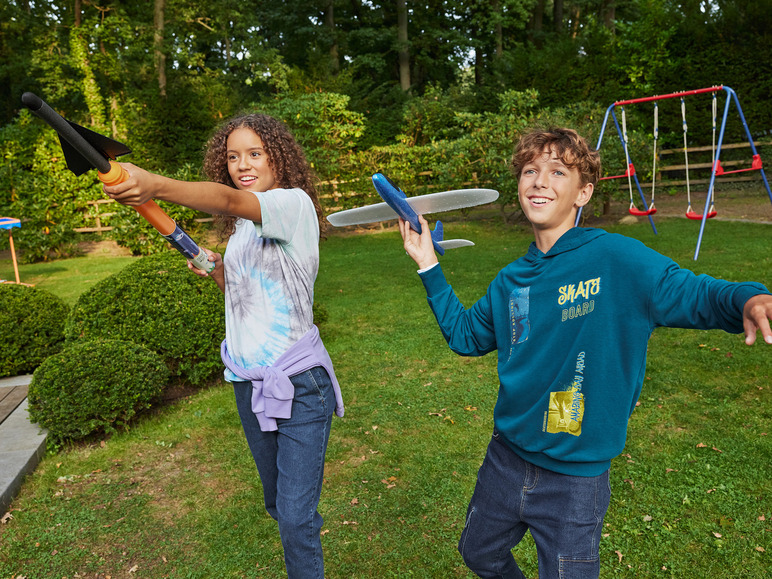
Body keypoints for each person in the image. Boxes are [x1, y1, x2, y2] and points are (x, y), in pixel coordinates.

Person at [398, 127, 772, 578]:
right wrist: (428, 264)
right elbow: (465, 336)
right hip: (505, 459)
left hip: (574, 479)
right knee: (479, 552)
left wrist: (748, 300)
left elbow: (694, 292)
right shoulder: (511, 280)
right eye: (530, 170)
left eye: (558, 171)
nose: (539, 181)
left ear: (583, 192)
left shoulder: (616, 259)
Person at [104, 113, 344, 579]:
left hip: (297, 383)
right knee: (278, 503)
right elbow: (244, 295)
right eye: (233, 156)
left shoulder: (291, 204)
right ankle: (302, 530)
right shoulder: (242, 233)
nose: (242, 164)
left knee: (294, 516)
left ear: (281, 158)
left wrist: (154, 184)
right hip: (247, 381)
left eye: (255, 153)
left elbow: (229, 199)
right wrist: (216, 269)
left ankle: (304, 548)